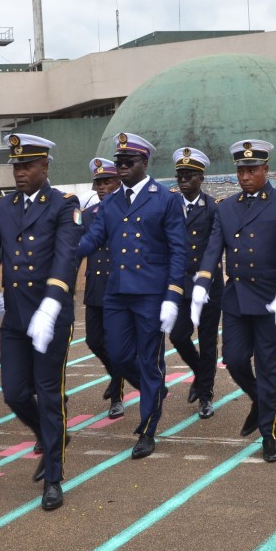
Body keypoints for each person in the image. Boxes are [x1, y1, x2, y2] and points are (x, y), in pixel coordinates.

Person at [0, 133, 81, 511]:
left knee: (49, 394)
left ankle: (54, 477)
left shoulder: (64, 205)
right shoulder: (4, 207)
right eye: (16, 166)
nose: (20, 172)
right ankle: (50, 436)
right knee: (13, 393)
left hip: (50, 316)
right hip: (17, 317)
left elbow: (65, 258)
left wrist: (51, 304)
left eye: (27, 166)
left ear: (44, 167)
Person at [76, 132, 187, 460]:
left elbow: (178, 252)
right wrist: (63, 252)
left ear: (145, 163)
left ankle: (148, 426)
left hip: (150, 295)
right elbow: (93, 239)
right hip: (117, 293)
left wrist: (172, 296)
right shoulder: (109, 202)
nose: (122, 168)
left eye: (129, 162)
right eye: (119, 162)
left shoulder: (165, 199)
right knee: (119, 356)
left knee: (149, 359)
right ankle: (156, 391)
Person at [190, 140, 276, 463]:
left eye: (252, 170)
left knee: (268, 369)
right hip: (236, 299)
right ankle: (257, 398)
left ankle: (269, 433)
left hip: (269, 301)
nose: (246, 176)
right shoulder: (226, 207)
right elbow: (213, 249)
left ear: (266, 170)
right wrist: (201, 282)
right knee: (234, 360)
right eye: (241, 170)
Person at [169, 147, 220, 420]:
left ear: (201, 178)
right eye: (180, 175)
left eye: (189, 175)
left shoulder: (212, 208)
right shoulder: (171, 205)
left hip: (208, 286)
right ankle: (201, 373)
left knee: (208, 341)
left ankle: (206, 396)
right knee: (178, 335)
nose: (183, 180)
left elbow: (214, 247)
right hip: (180, 285)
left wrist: (205, 279)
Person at [81, 157, 125, 419]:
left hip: (118, 287)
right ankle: (114, 374)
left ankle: (117, 396)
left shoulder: (127, 211)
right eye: (98, 182)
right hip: (95, 287)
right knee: (94, 340)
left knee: (116, 343)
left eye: (106, 181)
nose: (101, 187)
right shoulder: (88, 216)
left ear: (118, 182)